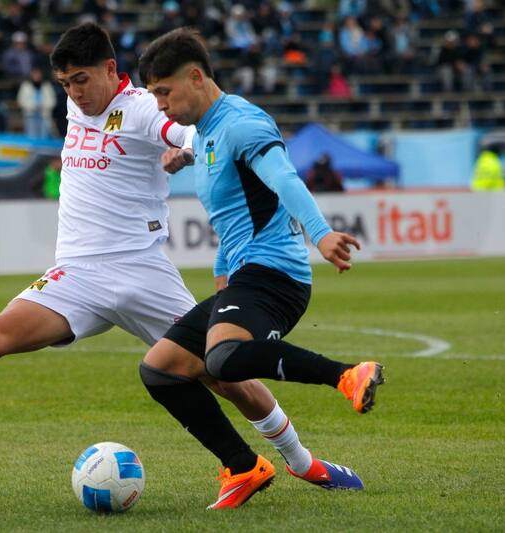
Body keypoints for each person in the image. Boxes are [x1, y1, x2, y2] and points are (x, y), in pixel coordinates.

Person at [0, 23, 363, 510]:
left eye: (81, 79)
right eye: (64, 83)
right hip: (77, 274)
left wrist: (184, 151)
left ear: (111, 69)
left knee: (222, 370)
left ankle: (302, 462)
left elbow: (187, 132)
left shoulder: (141, 107)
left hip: (142, 271)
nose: (74, 92)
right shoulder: (76, 111)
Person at [138, 27, 384, 508]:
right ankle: (243, 466)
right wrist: (185, 157)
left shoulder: (244, 124)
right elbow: (232, 210)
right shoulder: (206, 132)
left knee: (223, 360)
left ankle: (347, 375)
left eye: (164, 92)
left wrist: (322, 232)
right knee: (160, 370)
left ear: (195, 77)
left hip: (278, 276)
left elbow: (283, 179)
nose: (160, 105)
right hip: (245, 274)